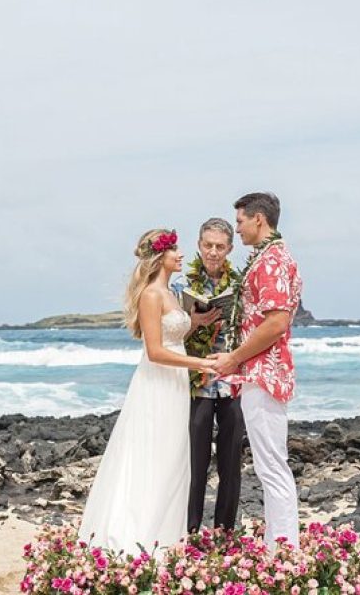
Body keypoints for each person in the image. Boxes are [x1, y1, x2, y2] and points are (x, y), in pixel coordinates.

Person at [78, 228, 216, 555]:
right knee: (154, 456)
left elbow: (173, 334)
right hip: (157, 384)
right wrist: (201, 364)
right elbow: (155, 350)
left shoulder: (169, 293)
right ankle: (140, 537)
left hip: (175, 384)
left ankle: (166, 536)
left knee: (172, 458)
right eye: (175, 251)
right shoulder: (151, 296)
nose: (181, 256)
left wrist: (198, 322)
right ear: (160, 257)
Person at [210, 193, 303, 550]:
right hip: (260, 371)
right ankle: (277, 547)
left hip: (264, 372)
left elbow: (276, 323)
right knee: (270, 466)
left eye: (240, 222)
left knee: (271, 467)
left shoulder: (271, 261)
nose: (238, 229)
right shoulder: (269, 257)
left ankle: (283, 552)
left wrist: (233, 358)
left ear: (259, 219)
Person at [172, 218, 244, 534]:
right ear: (199, 246)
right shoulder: (180, 287)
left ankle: (224, 531)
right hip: (196, 383)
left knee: (231, 464)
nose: (213, 252)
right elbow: (169, 335)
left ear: (230, 248)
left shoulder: (241, 285)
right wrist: (194, 322)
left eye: (219, 246)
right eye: (207, 245)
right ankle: (191, 529)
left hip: (232, 383)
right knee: (194, 464)